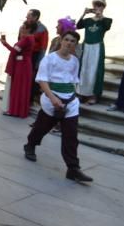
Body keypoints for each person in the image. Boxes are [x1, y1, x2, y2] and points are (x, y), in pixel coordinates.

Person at [23, 31, 93, 184]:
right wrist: (53, 98)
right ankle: (30, 145)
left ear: (76, 44)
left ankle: (73, 168)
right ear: (61, 41)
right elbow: (42, 80)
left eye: (72, 41)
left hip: (70, 101)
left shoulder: (74, 61)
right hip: (51, 98)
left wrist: (72, 98)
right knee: (42, 127)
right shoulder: (49, 59)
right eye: (66, 39)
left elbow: (73, 81)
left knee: (71, 135)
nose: (69, 43)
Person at [77, 0, 112, 104]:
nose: (97, 7)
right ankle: (81, 93)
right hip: (86, 46)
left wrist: (100, 16)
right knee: (84, 70)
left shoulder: (107, 20)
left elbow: (107, 27)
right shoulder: (88, 21)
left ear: (103, 7)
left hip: (97, 48)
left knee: (94, 71)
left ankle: (93, 95)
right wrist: (83, 14)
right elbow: (78, 26)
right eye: (96, 5)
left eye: (100, 6)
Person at [0, 23, 35, 118]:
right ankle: (18, 111)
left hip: (22, 65)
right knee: (20, 88)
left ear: (29, 29)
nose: (21, 30)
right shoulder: (29, 38)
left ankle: (14, 111)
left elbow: (15, 51)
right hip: (23, 64)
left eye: (24, 28)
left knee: (18, 88)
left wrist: (5, 43)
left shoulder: (27, 39)